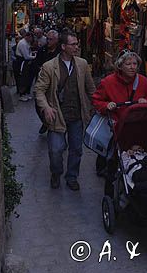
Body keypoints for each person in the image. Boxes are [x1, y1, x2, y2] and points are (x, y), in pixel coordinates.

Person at [35, 30, 95, 190]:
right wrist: (46, 107)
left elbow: (90, 89)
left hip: (76, 115)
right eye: (73, 44)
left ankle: (72, 176)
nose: (76, 47)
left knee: (76, 149)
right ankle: (56, 173)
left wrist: (96, 106)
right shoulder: (49, 67)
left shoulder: (82, 64)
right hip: (57, 115)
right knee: (55, 150)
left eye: (77, 44)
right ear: (63, 46)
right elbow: (39, 90)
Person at [92, 50, 147, 176]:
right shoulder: (108, 82)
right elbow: (96, 100)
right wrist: (106, 105)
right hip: (116, 123)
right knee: (111, 151)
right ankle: (106, 170)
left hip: (136, 123)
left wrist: (145, 101)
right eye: (128, 64)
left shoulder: (142, 81)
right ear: (120, 66)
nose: (133, 67)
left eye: (135, 64)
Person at [34, 29, 60, 134]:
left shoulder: (60, 52)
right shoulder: (42, 50)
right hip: (42, 80)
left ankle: (54, 123)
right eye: (48, 39)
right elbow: (36, 63)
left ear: (56, 40)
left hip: (55, 82)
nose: (48, 41)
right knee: (38, 104)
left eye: (51, 39)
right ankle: (45, 122)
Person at [14, 31, 36, 101]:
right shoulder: (23, 43)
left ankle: (25, 93)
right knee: (23, 78)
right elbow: (26, 56)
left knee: (26, 78)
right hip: (21, 61)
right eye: (31, 38)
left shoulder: (26, 42)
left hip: (24, 61)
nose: (32, 40)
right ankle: (22, 94)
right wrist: (34, 57)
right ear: (28, 37)